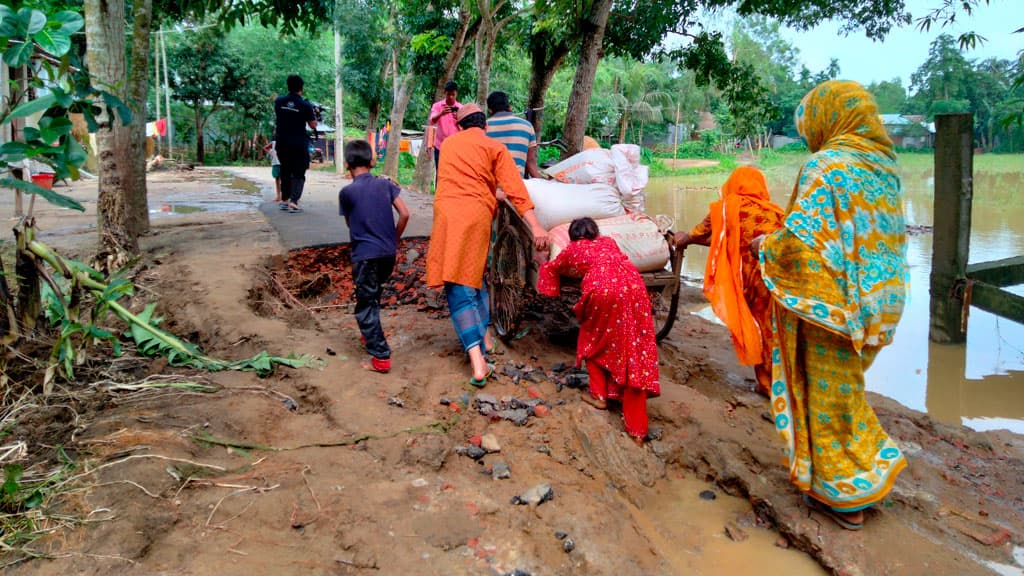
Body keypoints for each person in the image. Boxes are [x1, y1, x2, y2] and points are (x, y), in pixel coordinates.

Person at [754, 80, 908, 530]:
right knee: (848, 387)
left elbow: (804, 240)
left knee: (827, 393)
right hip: (877, 299)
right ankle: (861, 471)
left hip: (828, 302)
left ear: (829, 117)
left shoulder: (828, 166)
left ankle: (845, 490)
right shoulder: (883, 166)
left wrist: (766, 245)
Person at [425, 103, 549, 386]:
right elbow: (517, 190)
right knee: (464, 281)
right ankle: (479, 359)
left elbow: (464, 179)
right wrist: (537, 225)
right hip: (474, 217)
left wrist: (493, 192)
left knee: (463, 279)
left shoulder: (449, 146)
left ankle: (482, 348)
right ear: (486, 126)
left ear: (460, 126)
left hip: (446, 215)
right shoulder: (494, 148)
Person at [537, 217, 659, 445]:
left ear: (573, 235)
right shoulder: (609, 243)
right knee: (632, 347)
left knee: (592, 338)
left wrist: (543, 260)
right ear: (595, 233)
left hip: (604, 290)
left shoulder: (572, 250)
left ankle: (599, 395)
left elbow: (551, 269)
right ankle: (637, 428)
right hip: (634, 287)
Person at [676, 166, 784, 396]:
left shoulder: (728, 206)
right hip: (783, 279)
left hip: (756, 280)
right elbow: (729, 238)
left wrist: (684, 239)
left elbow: (701, 231)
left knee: (765, 330)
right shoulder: (774, 211)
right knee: (780, 330)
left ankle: (769, 385)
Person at [339, 140, 410, 374]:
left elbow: (350, 223)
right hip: (387, 254)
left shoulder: (347, 192)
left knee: (366, 303)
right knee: (373, 296)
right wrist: (394, 239)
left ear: (347, 164)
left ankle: (380, 357)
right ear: (372, 161)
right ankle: (369, 335)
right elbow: (405, 214)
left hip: (365, 256)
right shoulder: (384, 184)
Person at [274, 75, 317, 213]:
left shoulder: (279, 101)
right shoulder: (305, 105)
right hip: (298, 143)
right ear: (301, 88)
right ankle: (294, 202)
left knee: (285, 170)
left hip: (282, 142)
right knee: (299, 171)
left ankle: (285, 200)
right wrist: (313, 115)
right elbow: (312, 125)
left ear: (288, 86)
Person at [485, 91, 542, 179]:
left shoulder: (483, 128)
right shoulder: (527, 126)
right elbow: (531, 164)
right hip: (516, 186)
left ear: (490, 110)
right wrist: (547, 183)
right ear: (509, 107)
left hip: (489, 187)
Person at [428, 80, 462, 170]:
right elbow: (432, 121)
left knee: (454, 173)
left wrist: (458, 119)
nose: (450, 97)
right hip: (440, 147)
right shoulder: (437, 106)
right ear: (444, 93)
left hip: (456, 147)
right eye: (448, 94)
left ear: (456, 94)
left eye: (453, 95)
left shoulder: (461, 108)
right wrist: (441, 113)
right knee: (440, 173)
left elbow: (465, 129)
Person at [262, 140, 282, 206]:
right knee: (277, 180)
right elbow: (265, 147)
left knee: (285, 180)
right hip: (275, 163)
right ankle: (278, 196)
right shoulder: (273, 142)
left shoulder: (286, 140)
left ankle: (286, 196)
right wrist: (271, 153)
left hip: (284, 163)